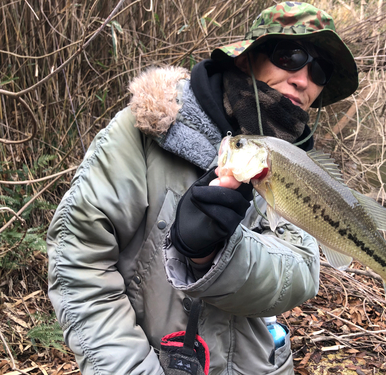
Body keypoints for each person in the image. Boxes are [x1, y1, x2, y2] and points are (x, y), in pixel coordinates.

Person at [46, 2, 358, 374]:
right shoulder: (142, 132)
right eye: (290, 56)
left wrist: (210, 256)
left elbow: (300, 277)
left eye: (319, 71)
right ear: (246, 58)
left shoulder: (298, 162)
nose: (303, 79)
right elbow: (78, 267)